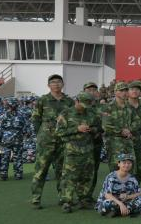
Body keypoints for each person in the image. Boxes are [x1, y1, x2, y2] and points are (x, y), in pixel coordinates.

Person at [30, 74, 74, 207]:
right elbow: (35, 119)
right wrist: (40, 135)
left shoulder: (69, 101)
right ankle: (36, 198)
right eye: (53, 82)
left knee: (62, 171)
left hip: (63, 140)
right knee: (41, 170)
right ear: (48, 85)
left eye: (59, 82)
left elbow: (73, 119)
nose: (56, 84)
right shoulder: (42, 100)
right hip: (46, 140)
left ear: (63, 84)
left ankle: (63, 198)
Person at [55, 92, 99, 212]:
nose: (85, 107)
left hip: (88, 149)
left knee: (87, 176)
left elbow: (99, 128)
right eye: (83, 104)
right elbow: (58, 132)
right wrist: (77, 129)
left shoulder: (91, 113)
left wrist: (92, 129)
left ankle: (84, 200)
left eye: (88, 104)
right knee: (69, 176)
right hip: (72, 149)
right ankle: (67, 201)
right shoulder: (66, 113)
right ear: (77, 101)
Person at [96, 152, 141, 217]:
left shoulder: (132, 178)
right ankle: (124, 210)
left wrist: (128, 197)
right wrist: (120, 204)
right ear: (118, 164)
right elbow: (107, 195)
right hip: (113, 201)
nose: (126, 165)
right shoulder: (111, 177)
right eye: (124, 163)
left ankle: (122, 211)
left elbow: (139, 193)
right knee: (107, 204)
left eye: (129, 163)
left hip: (125, 201)